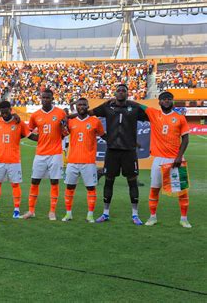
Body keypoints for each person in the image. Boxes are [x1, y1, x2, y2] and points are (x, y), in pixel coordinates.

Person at [90, 84, 149, 225]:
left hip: (129, 151)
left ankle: (135, 215)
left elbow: (151, 115)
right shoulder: (107, 107)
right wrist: (70, 115)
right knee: (108, 181)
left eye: (124, 91)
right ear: (115, 93)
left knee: (132, 182)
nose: (121, 92)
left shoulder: (134, 108)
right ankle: (105, 213)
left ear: (127, 94)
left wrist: (135, 102)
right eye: (119, 91)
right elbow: (89, 113)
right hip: (112, 151)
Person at [143, 91, 191, 228]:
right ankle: (152, 217)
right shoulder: (154, 114)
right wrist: (124, 101)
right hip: (158, 159)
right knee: (154, 188)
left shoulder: (180, 118)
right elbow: (140, 107)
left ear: (172, 101)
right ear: (159, 102)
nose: (166, 101)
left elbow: (186, 139)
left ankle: (184, 219)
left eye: (169, 99)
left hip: (175, 160)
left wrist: (179, 157)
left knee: (182, 191)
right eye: (163, 99)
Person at [0, 101, 36, 218]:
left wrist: (44, 138)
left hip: (14, 160)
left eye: (6, 111)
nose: (4, 114)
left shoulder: (19, 122)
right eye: (2, 112)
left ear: (10, 109)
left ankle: (16, 210)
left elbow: (30, 135)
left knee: (15, 185)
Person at [22, 89, 67, 220]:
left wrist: (63, 129)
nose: (46, 99)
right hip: (40, 154)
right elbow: (28, 131)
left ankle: (52, 211)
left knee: (54, 182)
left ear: (52, 98)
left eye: (48, 97)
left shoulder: (60, 113)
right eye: (44, 97)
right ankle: (31, 210)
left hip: (55, 154)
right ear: (40, 98)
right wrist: (37, 138)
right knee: (35, 181)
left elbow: (66, 134)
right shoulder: (35, 115)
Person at [61, 98, 106, 223]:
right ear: (76, 107)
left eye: (84, 105)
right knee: (70, 187)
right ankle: (68, 213)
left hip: (89, 161)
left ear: (88, 106)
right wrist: (62, 125)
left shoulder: (95, 121)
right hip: (72, 161)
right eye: (79, 104)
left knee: (91, 188)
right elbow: (62, 134)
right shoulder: (71, 122)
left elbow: (104, 136)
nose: (81, 106)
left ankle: (90, 215)